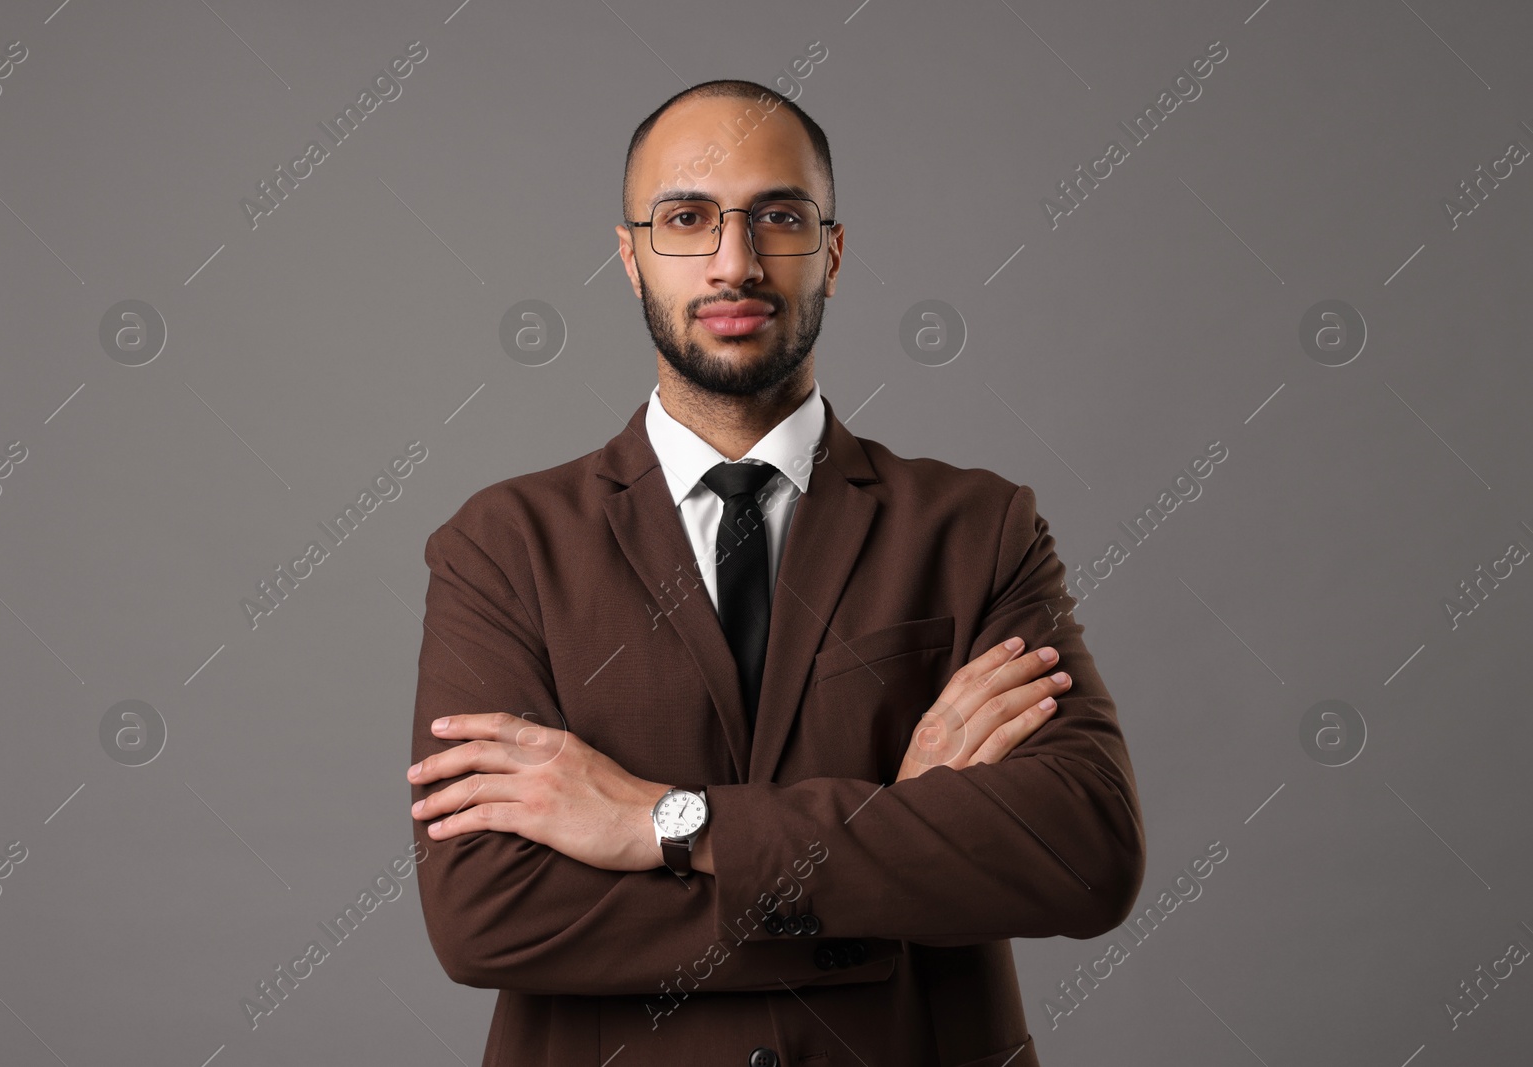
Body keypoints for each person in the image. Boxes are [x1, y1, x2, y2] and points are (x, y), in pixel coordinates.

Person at [407, 79, 1145, 1067]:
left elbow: (1082, 851)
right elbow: (487, 916)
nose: (734, 261)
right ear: (629, 257)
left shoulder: (977, 528)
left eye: (779, 217)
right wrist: (892, 843)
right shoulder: (501, 546)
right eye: (687, 218)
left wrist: (658, 822)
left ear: (832, 252)